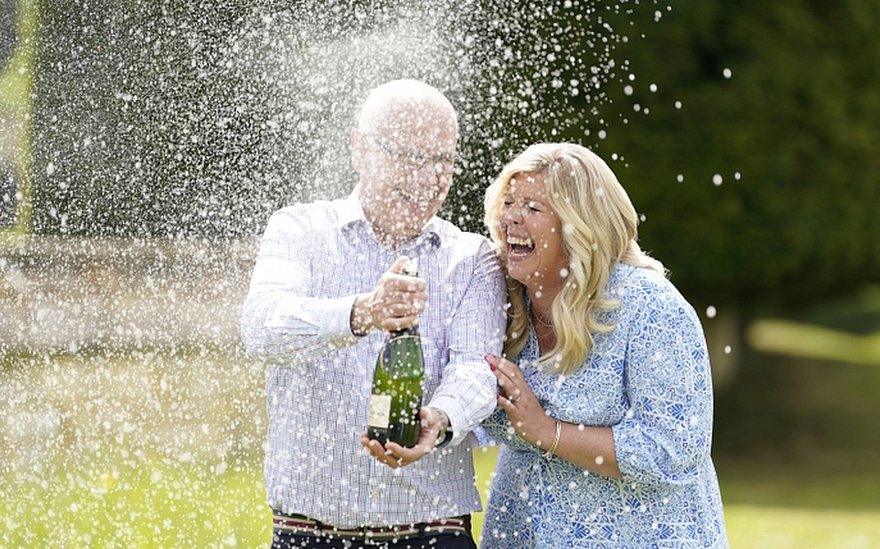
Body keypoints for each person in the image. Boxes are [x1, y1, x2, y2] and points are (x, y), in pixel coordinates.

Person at [240, 79, 506, 548]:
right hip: (310, 533)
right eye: (409, 157)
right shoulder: (300, 230)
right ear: (359, 150)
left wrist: (440, 420)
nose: (427, 179)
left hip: (433, 531)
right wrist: (363, 312)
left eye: (442, 161)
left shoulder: (472, 257)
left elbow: (477, 369)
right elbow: (262, 328)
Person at [477, 143, 728, 547]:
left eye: (533, 209)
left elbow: (671, 450)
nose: (511, 219)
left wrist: (547, 431)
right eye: (508, 202)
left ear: (579, 226)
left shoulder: (650, 307)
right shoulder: (498, 301)